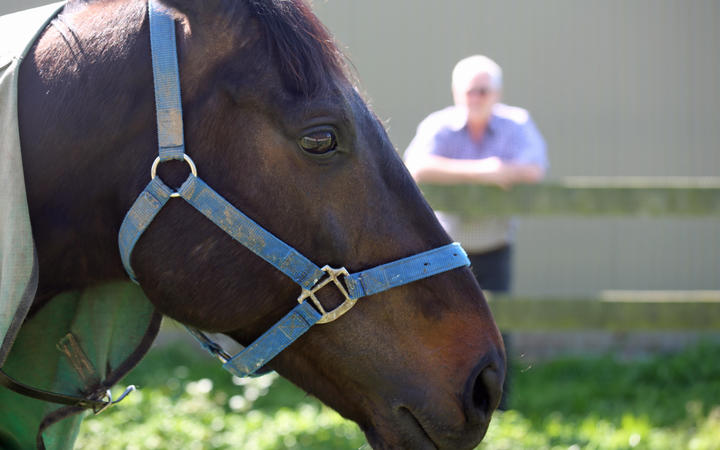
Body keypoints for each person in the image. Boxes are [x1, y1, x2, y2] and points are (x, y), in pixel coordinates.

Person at [404, 54, 548, 293]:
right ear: (455, 92)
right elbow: (416, 166)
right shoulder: (439, 124)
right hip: (446, 248)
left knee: (499, 322)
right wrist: (483, 172)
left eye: (483, 91)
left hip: (496, 246)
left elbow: (534, 169)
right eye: (470, 91)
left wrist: (501, 171)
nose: (476, 98)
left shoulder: (516, 123)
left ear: (497, 93)